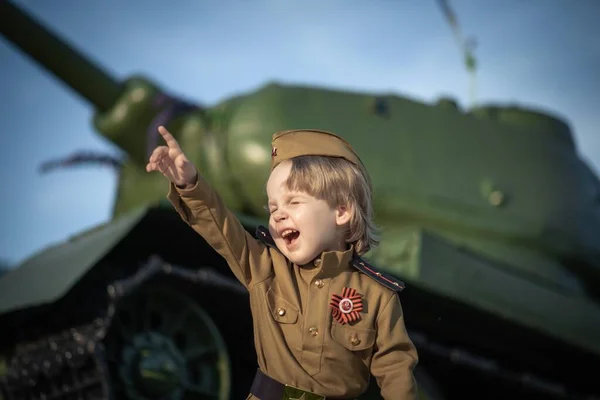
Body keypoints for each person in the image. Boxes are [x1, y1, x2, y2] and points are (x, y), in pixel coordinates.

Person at [146, 126, 419, 400]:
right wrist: (189, 183)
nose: (278, 216)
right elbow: (220, 227)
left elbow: (396, 373)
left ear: (342, 211)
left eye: (294, 202)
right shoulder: (264, 268)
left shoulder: (378, 297)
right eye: (273, 208)